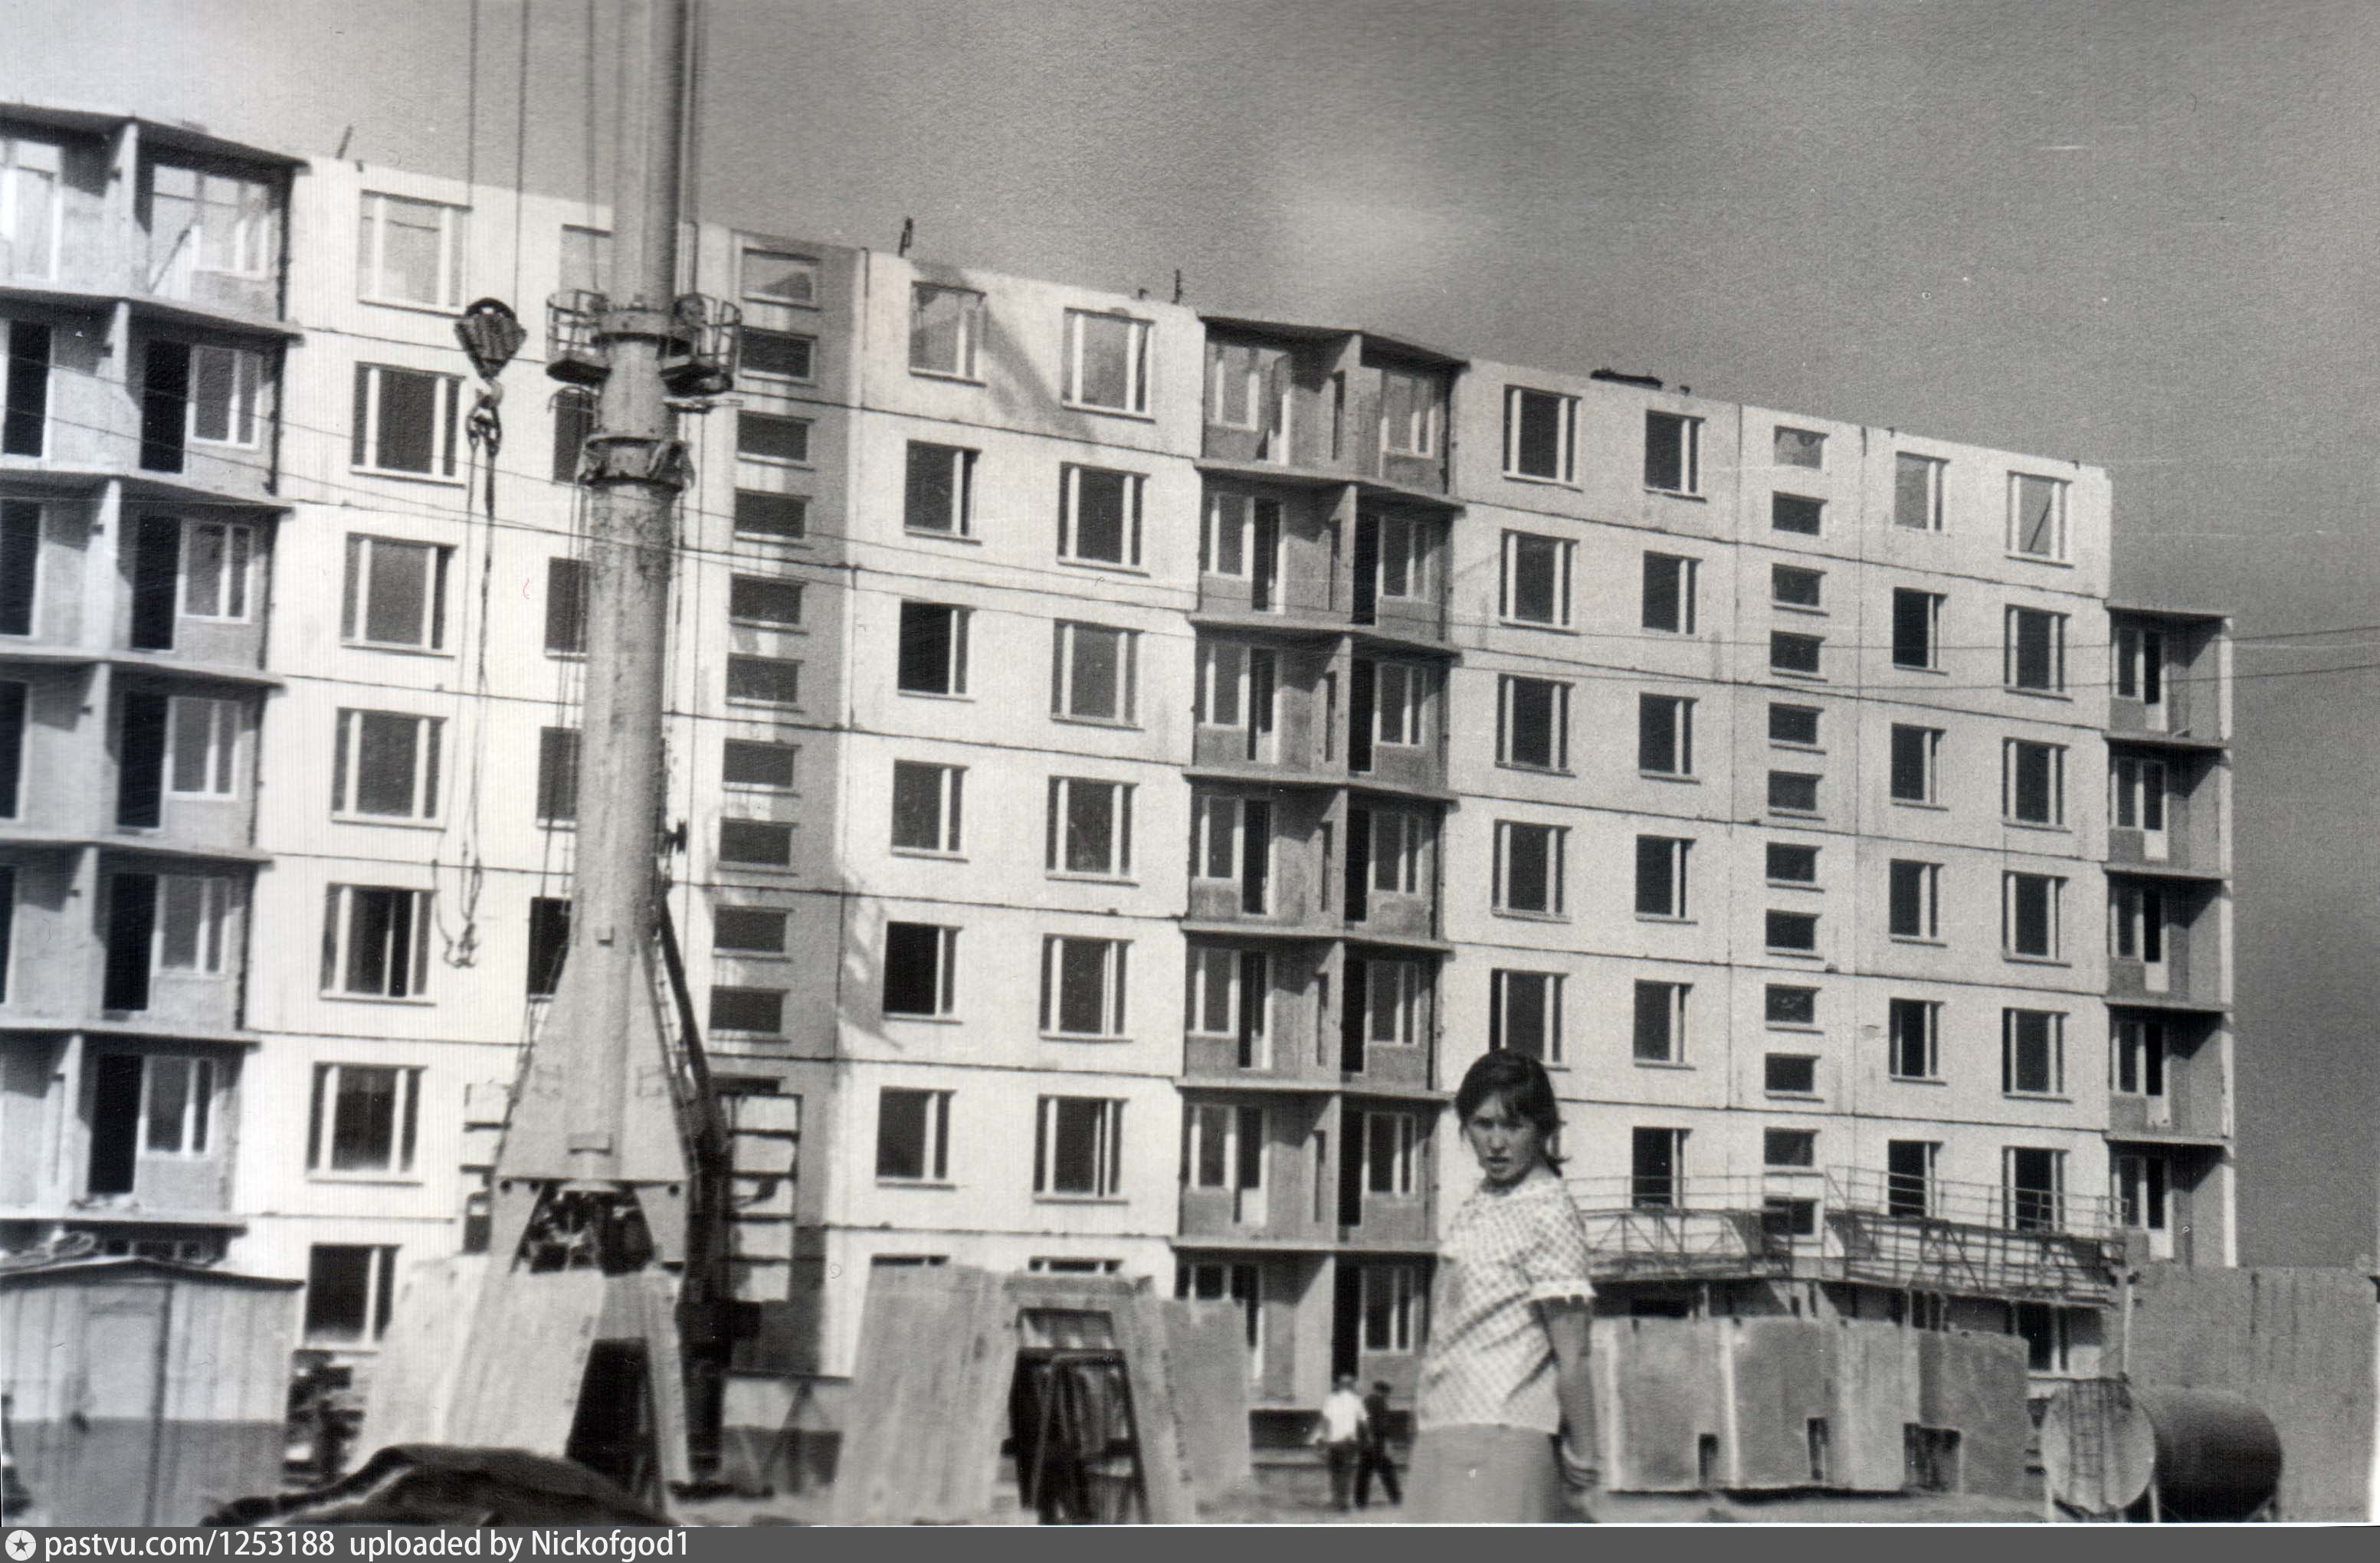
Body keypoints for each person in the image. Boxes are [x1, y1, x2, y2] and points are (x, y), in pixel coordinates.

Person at [1405, 1050, 1599, 1522]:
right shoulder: (1483, 1202)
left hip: (1507, 1432)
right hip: (1443, 1433)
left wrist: (1583, 1456)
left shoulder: (1549, 1211)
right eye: (1482, 1124)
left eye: (1513, 1126)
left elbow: (1573, 1353)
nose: (1495, 1143)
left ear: (1543, 1128)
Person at [1313, 1371, 1367, 1512]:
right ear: (1352, 1386)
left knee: (1334, 1471)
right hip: (1348, 1442)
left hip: (1333, 1442)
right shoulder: (1356, 1400)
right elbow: (1363, 1421)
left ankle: (1336, 1500)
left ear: (1339, 1385)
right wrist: (1364, 1440)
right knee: (1346, 1472)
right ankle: (1343, 1503)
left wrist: (1321, 1439)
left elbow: (1325, 1421)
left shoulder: (1331, 1399)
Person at [1355, 1378, 1403, 1509]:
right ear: (1384, 1392)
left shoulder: (1364, 1401)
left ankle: (1360, 1502)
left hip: (1364, 1444)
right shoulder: (1380, 1402)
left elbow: (1360, 1423)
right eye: (1387, 1394)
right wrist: (1387, 1441)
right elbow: (1383, 1425)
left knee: (1364, 1473)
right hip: (1377, 1444)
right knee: (1387, 1472)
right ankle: (1396, 1499)